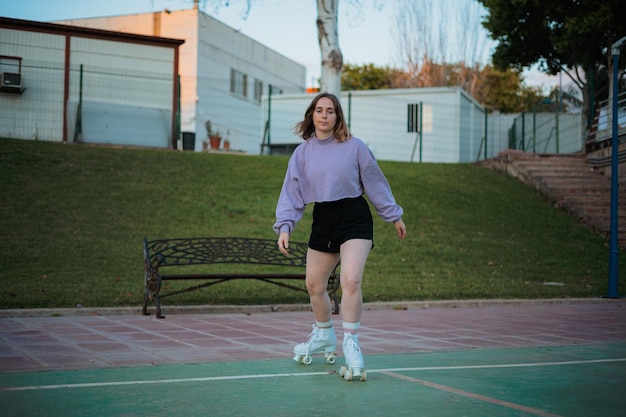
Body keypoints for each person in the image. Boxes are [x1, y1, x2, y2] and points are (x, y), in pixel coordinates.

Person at [273, 92, 406, 381]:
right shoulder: (302, 153)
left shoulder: (355, 147)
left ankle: (352, 342)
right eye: (319, 110)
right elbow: (291, 194)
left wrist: (393, 215)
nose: (324, 115)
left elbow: (375, 182)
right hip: (324, 218)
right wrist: (285, 226)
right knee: (314, 284)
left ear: (338, 117)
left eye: (330, 111)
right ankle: (323, 335)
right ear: (311, 115)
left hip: (354, 217)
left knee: (350, 279)